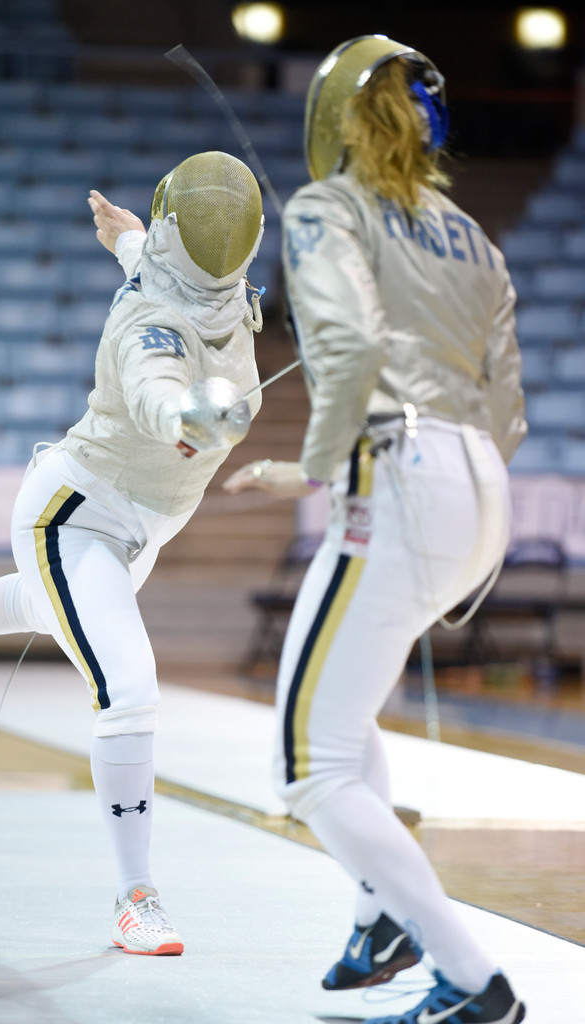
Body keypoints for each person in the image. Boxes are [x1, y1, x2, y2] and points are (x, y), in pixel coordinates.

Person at [0, 150, 266, 957]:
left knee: (40, 602)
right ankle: (137, 898)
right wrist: (181, 417)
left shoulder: (217, 294)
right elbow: (153, 373)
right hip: (75, 516)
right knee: (127, 688)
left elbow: (153, 268)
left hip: (136, 526)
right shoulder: (150, 324)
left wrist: (127, 238)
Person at [223, 36, 527, 1024]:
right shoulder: (475, 237)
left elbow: (350, 345)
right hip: (480, 489)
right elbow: (506, 405)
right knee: (343, 721)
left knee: (304, 765)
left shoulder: (323, 209)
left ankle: (473, 978)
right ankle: (380, 916)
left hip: (401, 477)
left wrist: (312, 467)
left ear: (334, 119)